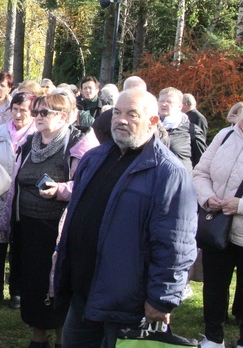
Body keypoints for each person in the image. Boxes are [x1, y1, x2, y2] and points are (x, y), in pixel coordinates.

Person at [56, 89, 197, 346]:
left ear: (153, 121)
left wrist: (161, 298)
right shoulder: (94, 158)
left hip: (127, 303)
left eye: (132, 114)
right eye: (117, 113)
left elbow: (175, 244)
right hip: (83, 294)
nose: (121, 120)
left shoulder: (168, 173)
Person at [5, 91, 97, 347]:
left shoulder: (78, 146)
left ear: (64, 116)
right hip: (29, 228)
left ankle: (62, 339)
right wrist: (6, 221)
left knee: (58, 284)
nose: (37, 117)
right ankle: (38, 337)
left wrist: (60, 190)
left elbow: (87, 186)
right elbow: (15, 186)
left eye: (45, 112)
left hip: (60, 231)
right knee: (33, 283)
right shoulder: (29, 144)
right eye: (36, 111)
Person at [192, 114, 243, 347]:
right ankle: (213, 338)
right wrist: (207, 197)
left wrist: (240, 205)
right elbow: (200, 173)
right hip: (217, 229)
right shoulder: (225, 135)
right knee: (214, 286)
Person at [0, 91, 37, 310]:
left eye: (23, 110)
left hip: (24, 200)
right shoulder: (0, 132)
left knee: (19, 247)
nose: (18, 114)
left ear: (32, 113)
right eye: (15, 109)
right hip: (0, 196)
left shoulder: (36, 135)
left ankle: (16, 290)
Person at [158, 87, 196, 171]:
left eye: (169, 102)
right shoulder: (149, 127)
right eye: (161, 101)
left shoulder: (191, 130)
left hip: (180, 180)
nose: (164, 104)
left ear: (179, 106)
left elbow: (201, 162)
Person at [183, 93, 208, 166]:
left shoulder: (198, 117)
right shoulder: (185, 116)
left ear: (186, 104)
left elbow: (199, 139)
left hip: (194, 155)